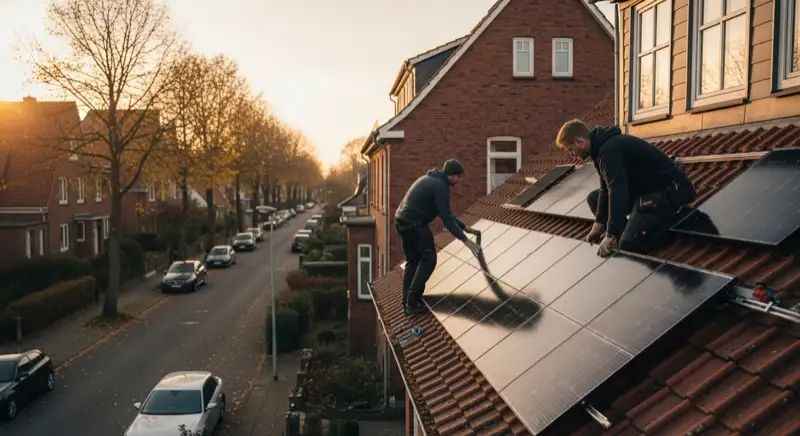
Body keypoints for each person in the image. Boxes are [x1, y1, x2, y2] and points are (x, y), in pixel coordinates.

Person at [555, 119, 696, 257]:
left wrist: (611, 234)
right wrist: (598, 225)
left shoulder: (609, 150)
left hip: (670, 191)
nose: (571, 155)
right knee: (593, 198)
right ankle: (627, 230)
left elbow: (617, 190)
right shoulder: (599, 150)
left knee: (628, 244)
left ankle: (658, 231)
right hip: (644, 189)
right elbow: (606, 188)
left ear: (579, 141)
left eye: (570, 150)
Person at [395, 159, 482, 316]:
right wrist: (465, 240)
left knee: (413, 261)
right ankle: (412, 301)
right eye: (458, 176)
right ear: (451, 175)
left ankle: (407, 302)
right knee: (429, 259)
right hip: (414, 224)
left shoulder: (430, 180)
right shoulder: (440, 187)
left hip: (402, 221)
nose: (459, 180)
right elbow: (446, 219)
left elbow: (446, 213)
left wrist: (464, 227)